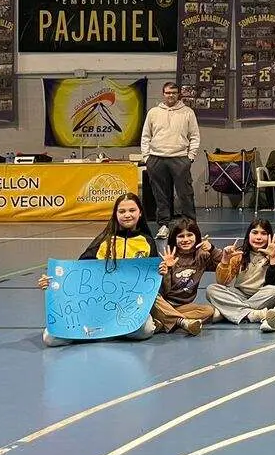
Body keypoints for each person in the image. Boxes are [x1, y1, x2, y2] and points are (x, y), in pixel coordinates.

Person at [36, 193, 158, 346]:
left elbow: (151, 282)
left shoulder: (147, 242)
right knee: (51, 339)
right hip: (97, 305)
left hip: (128, 307)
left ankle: (100, 332)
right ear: (115, 214)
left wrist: (163, 270)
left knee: (145, 330)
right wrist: (51, 282)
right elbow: (78, 273)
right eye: (122, 211)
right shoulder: (104, 240)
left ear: (140, 213)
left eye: (132, 210)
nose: (127, 215)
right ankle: (108, 332)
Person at [141, 82, 201, 238]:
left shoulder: (188, 112)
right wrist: (147, 157)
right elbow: (146, 136)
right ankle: (164, 226)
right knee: (161, 196)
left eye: (174, 92)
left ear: (178, 94)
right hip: (156, 159)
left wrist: (190, 157)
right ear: (163, 94)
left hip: (180, 158)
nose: (171, 95)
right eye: (168, 93)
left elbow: (194, 136)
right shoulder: (153, 112)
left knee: (185, 194)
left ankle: (190, 226)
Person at [205, 219, 275, 325]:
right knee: (211, 289)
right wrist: (225, 260)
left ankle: (228, 312)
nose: (258, 237)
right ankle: (250, 314)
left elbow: (273, 283)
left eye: (263, 233)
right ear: (248, 235)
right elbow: (222, 282)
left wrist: (273, 258)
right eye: (255, 232)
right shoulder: (240, 254)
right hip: (239, 294)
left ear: (269, 236)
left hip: (261, 296)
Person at [152, 217, 218, 336]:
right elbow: (165, 292)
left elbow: (221, 265)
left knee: (209, 310)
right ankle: (182, 322)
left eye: (189, 235)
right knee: (154, 298)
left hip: (184, 306)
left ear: (196, 237)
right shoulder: (168, 257)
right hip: (165, 304)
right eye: (181, 236)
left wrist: (212, 249)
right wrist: (167, 271)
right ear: (174, 239)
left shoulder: (201, 257)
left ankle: (166, 321)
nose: (186, 239)